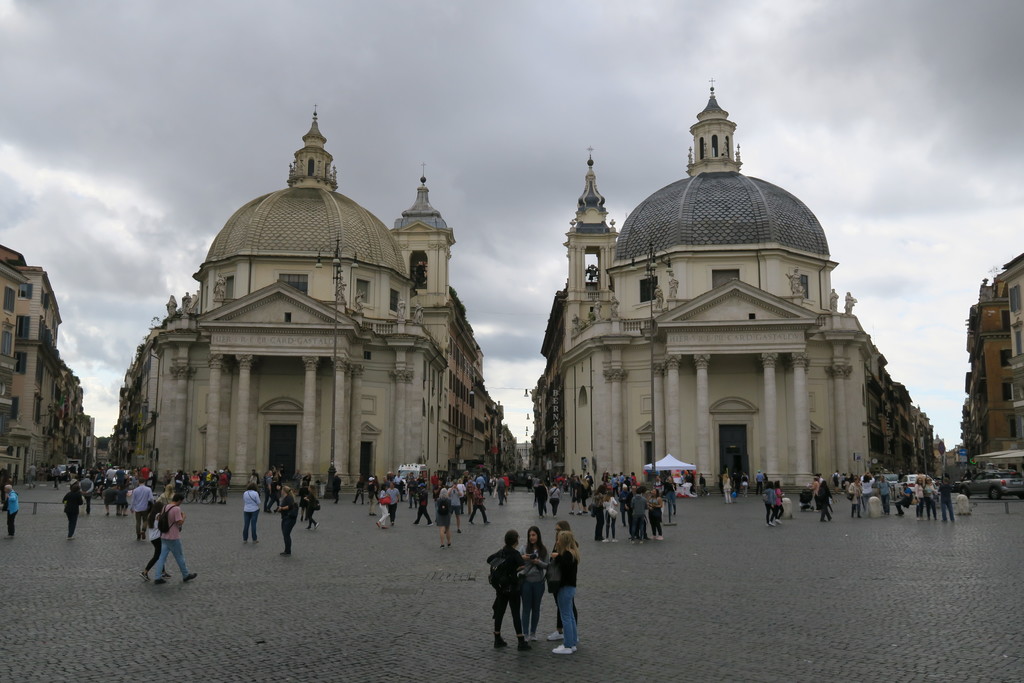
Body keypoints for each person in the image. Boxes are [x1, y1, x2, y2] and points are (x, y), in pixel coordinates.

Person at [486, 529, 529, 651]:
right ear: (515, 541)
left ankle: (497, 637)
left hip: (501, 587)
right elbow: (522, 565)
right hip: (513, 587)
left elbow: (489, 559)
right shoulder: (515, 554)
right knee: (515, 613)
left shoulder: (501, 552)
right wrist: (513, 570)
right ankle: (520, 641)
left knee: (500, 612)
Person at [152, 493, 198, 584]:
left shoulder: (165, 506)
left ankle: (157, 577)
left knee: (161, 557)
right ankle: (185, 575)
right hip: (173, 536)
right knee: (179, 556)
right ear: (179, 500)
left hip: (164, 535)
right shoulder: (176, 509)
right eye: (181, 501)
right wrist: (184, 517)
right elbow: (179, 522)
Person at [549, 528, 580, 654]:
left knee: (566, 616)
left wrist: (557, 557)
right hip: (571, 587)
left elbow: (562, 565)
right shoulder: (573, 553)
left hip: (565, 588)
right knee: (570, 616)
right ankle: (572, 642)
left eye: (558, 540)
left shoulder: (566, 555)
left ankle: (567, 645)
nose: (557, 542)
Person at [519, 526, 548, 642]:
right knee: (526, 608)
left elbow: (547, 566)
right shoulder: (524, 548)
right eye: (530, 535)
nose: (531, 538)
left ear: (538, 536)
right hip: (526, 582)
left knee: (536, 608)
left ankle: (533, 633)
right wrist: (524, 558)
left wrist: (538, 562)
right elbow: (517, 562)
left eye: (534, 535)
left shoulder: (543, 550)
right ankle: (525, 633)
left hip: (539, 583)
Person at [140, 501, 170, 581]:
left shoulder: (151, 515)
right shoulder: (158, 515)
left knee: (160, 554)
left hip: (153, 537)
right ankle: (145, 572)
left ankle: (163, 572)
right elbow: (161, 526)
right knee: (157, 556)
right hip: (158, 537)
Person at [278, 486, 298, 555]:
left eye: (281, 490)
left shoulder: (289, 498)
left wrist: (282, 508)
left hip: (289, 518)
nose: (281, 491)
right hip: (285, 518)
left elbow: (290, 506)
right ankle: (286, 550)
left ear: (284, 491)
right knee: (285, 534)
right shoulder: (286, 497)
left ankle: (288, 551)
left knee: (286, 534)